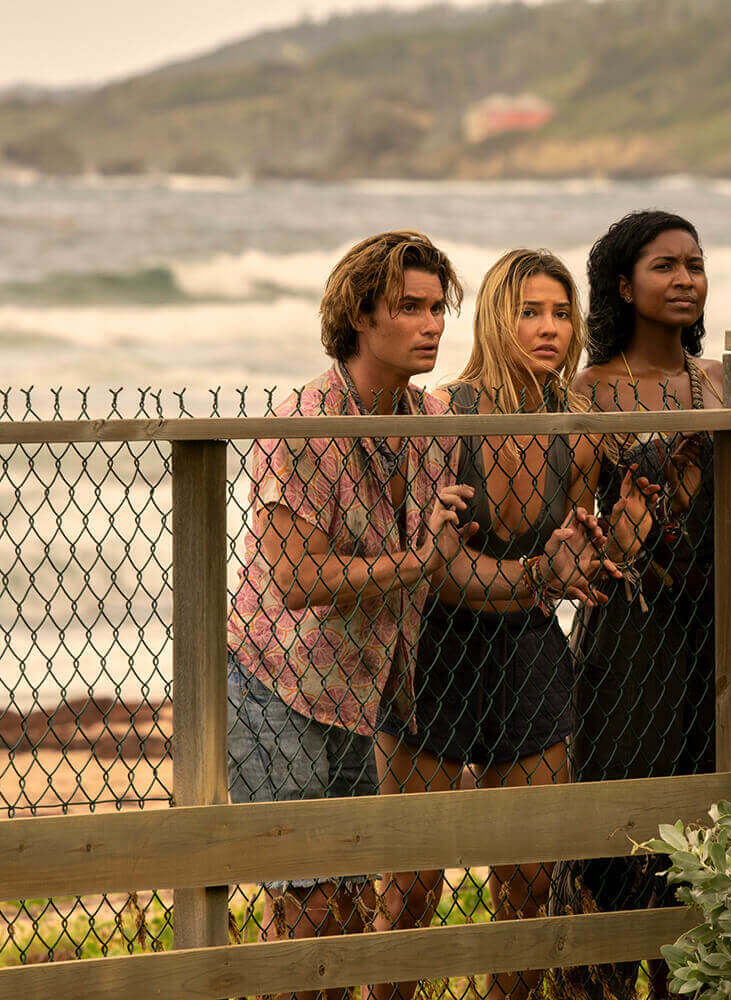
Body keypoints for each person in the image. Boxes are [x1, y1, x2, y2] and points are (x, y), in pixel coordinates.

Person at [371, 249, 656, 1000]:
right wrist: (540, 576)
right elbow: (442, 568)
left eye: (562, 313)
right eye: (530, 311)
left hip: (528, 652)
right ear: (497, 317)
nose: (549, 328)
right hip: (435, 651)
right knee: (412, 885)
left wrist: (621, 540)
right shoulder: (439, 417)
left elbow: (579, 560)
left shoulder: (580, 430)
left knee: (529, 881)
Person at [225, 230, 472, 1000]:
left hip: (365, 693)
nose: (432, 324)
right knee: (308, 900)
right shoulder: (300, 421)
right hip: (278, 685)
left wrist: (547, 567)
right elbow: (298, 579)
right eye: (410, 307)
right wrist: (421, 560)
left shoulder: (432, 421)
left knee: (355, 896)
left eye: (437, 308)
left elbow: (442, 563)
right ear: (361, 316)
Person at [547, 210, 722, 1000]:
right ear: (624, 284)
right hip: (631, 636)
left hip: (722, 628)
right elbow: (577, 539)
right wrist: (621, 539)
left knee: (715, 821)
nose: (685, 278)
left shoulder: (724, 381)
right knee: (624, 826)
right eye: (665, 266)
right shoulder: (588, 392)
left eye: (694, 264)